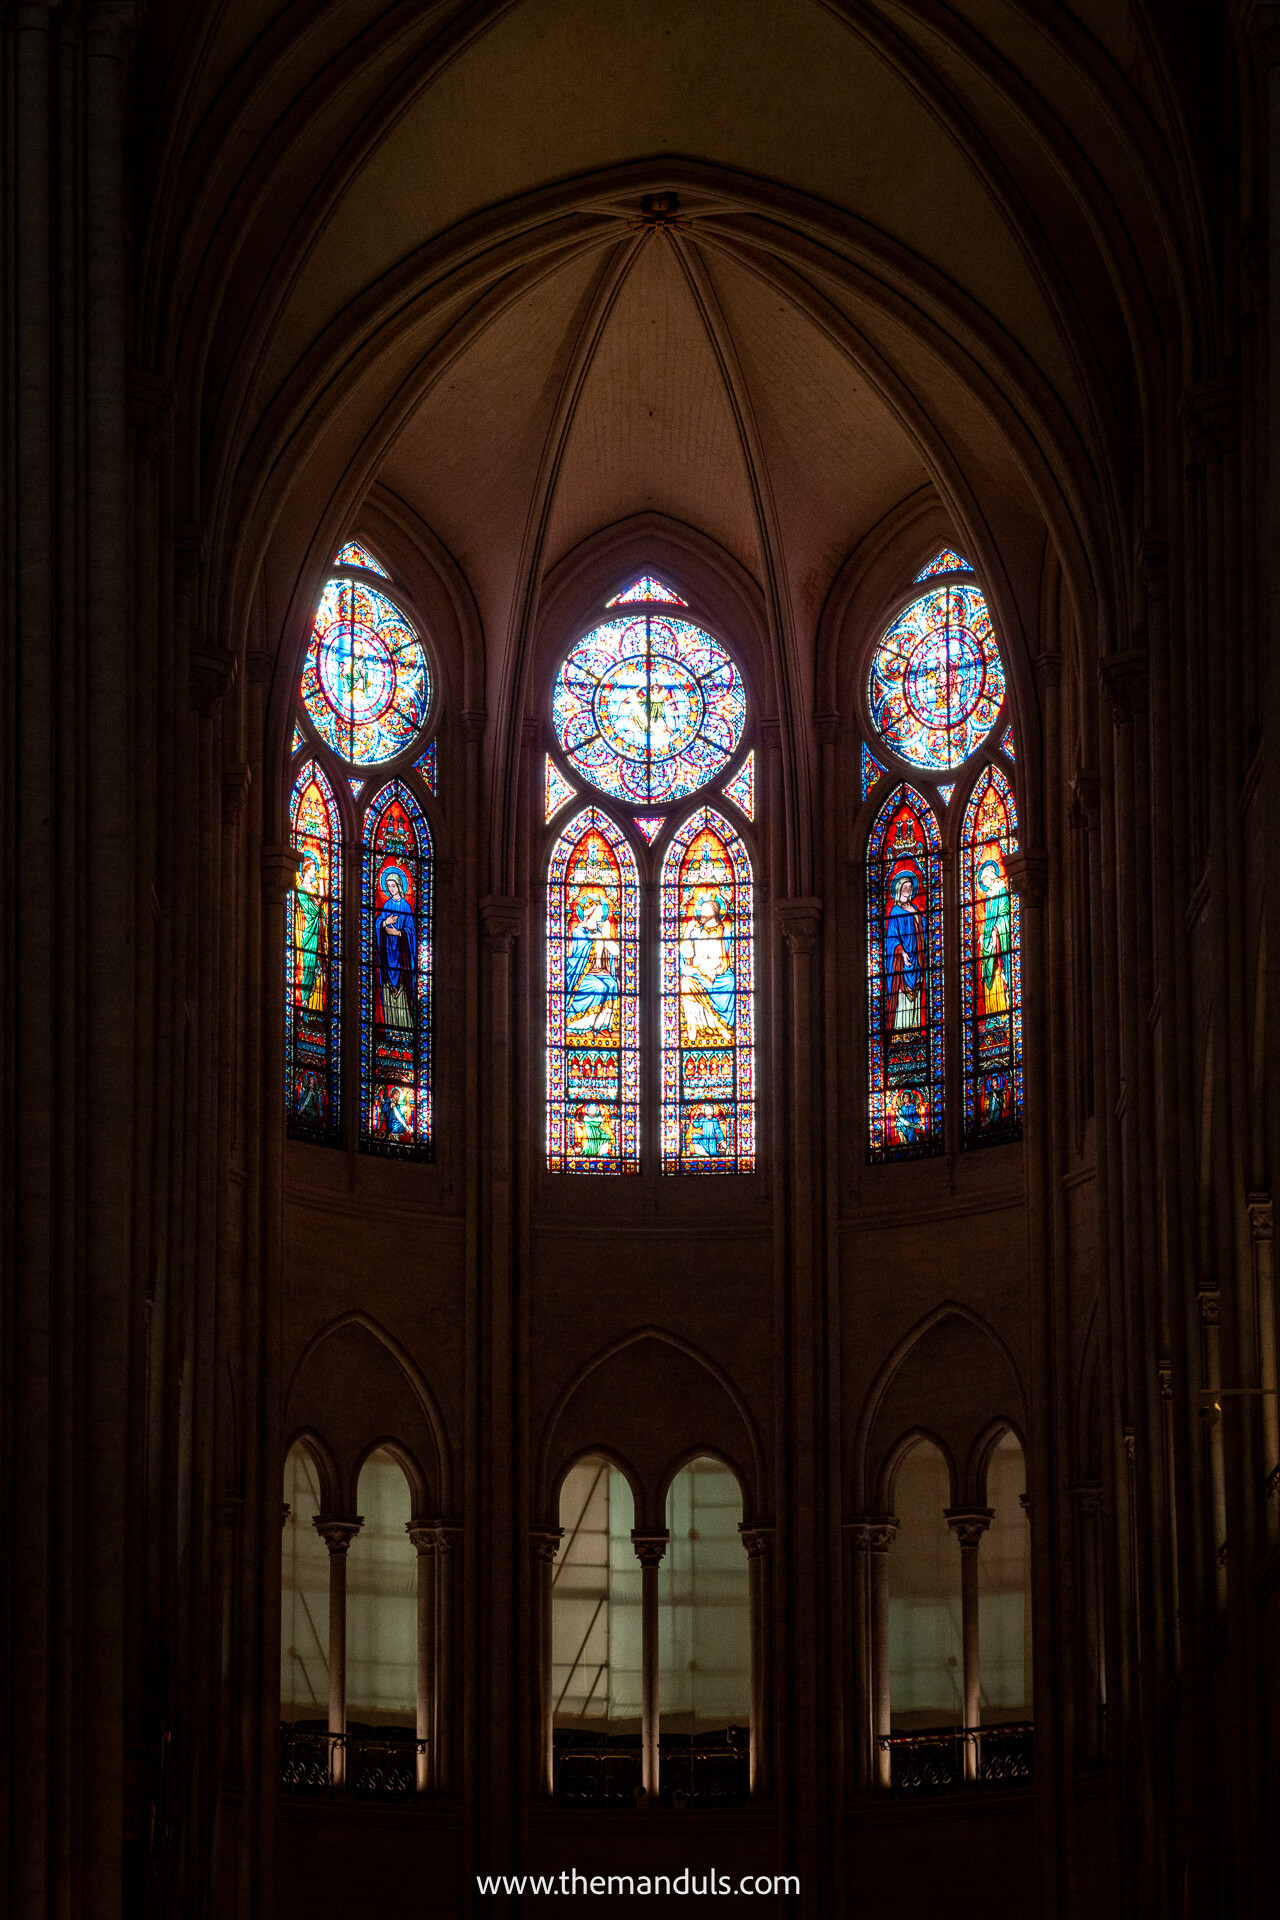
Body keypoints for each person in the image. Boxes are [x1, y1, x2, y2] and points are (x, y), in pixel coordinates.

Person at [678, 886, 735, 1047]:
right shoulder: (696, 932)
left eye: (705, 910)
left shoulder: (725, 932)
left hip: (718, 974)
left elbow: (722, 959)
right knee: (685, 984)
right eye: (701, 910)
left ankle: (720, 1025)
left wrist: (707, 972)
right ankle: (693, 1026)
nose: (701, 913)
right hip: (698, 974)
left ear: (714, 911)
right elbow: (687, 954)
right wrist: (686, 935)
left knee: (731, 982)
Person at [565, 884, 621, 1036]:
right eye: (600, 908)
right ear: (591, 912)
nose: (603, 910)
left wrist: (606, 936)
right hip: (583, 975)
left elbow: (616, 951)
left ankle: (600, 1027)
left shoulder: (602, 930)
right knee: (599, 987)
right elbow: (580, 955)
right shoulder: (578, 931)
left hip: (602, 973)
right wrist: (599, 938)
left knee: (612, 985)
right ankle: (583, 1027)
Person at [374, 863, 417, 1029]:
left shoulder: (406, 907)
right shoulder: (386, 906)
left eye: (393, 885)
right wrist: (386, 922)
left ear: (399, 886)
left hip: (402, 956)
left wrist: (399, 934)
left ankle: (405, 1029)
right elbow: (379, 923)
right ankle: (391, 1028)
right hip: (387, 955)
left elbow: (411, 932)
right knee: (387, 990)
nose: (391, 889)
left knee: (403, 991)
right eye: (388, 886)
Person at [885, 864, 923, 1032]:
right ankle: (900, 1032)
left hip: (917, 955)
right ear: (899, 889)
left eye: (910, 887)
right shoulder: (894, 911)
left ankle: (914, 1030)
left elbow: (922, 933)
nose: (908, 890)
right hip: (903, 959)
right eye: (905, 887)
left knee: (916, 995)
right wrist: (901, 951)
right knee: (902, 996)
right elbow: (891, 938)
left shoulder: (915, 909)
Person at [975, 852, 1011, 1016]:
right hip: (990, 940)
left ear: (992, 876)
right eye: (983, 882)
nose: (986, 884)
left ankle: (1003, 1013)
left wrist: (996, 932)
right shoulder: (989, 895)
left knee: (998, 972)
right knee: (988, 975)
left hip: (998, 940)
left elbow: (1004, 913)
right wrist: (985, 934)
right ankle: (991, 1016)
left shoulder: (1002, 890)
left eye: (986, 881)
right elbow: (988, 920)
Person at [294, 852, 327, 1012]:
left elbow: (321, 911)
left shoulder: (313, 889)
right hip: (309, 933)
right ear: (306, 870)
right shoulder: (301, 890)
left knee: (316, 967)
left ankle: (314, 1007)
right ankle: (304, 1003)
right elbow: (312, 911)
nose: (315, 872)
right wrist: (320, 900)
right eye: (313, 869)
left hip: (318, 931)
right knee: (308, 966)